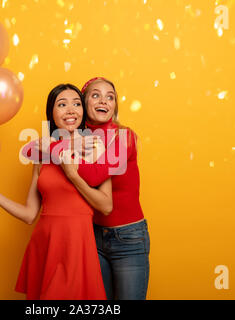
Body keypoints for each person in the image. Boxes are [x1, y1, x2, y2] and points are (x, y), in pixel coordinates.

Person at [0, 84, 112, 300]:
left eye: (77, 104)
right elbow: (29, 214)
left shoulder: (95, 147)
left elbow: (106, 206)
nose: (71, 110)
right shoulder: (41, 153)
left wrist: (71, 171)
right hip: (46, 245)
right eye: (62, 105)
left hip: (77, 245)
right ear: (52, 113)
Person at [67, 77, 151, 300]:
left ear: (114, 106)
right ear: (84, 103)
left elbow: (96, 175)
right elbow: (31, 151)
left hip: (129, 238)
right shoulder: (78, 138)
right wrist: (65, 146)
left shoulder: (125, 137)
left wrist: (61, 152)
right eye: (95, 95)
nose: (103, 100)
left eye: (110, 97)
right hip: (93, 237)